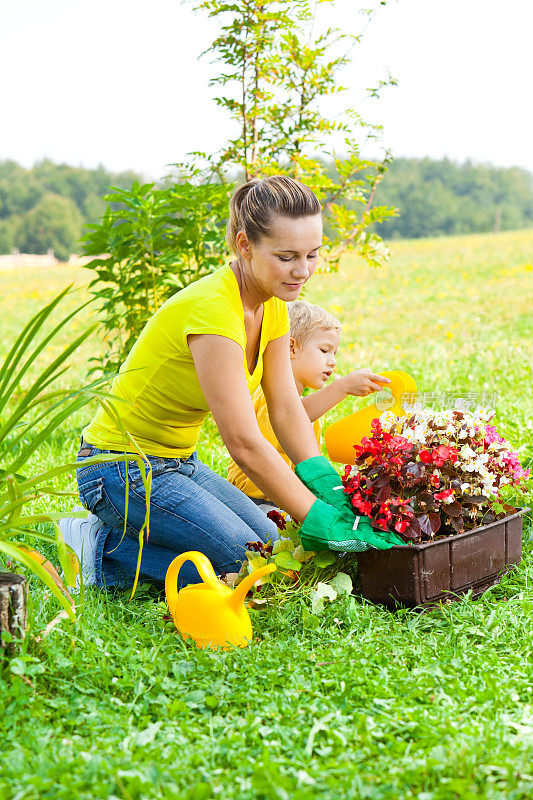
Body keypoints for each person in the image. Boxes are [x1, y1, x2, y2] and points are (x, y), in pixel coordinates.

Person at [65, 175, 402, 591]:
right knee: (249, 563)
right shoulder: (214, 313)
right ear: (245, 246)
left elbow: (284, 408)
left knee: (271, 543)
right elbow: (243, 441)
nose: (303, 271)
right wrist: (312, 514)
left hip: (177, 464)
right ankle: (98, 550)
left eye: (312, 254)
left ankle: (130, 541)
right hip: (119, 469)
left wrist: (322, 480)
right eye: (286, 256)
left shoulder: (273, 305)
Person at [227, 299, 391, 513]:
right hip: (253, 503)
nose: (332, 361)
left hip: (283, 501)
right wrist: (342, 387)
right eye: (324, 350)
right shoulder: (266, 394)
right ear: (291, 347)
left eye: (335, 354)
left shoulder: (301, 402)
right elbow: (286, 424)